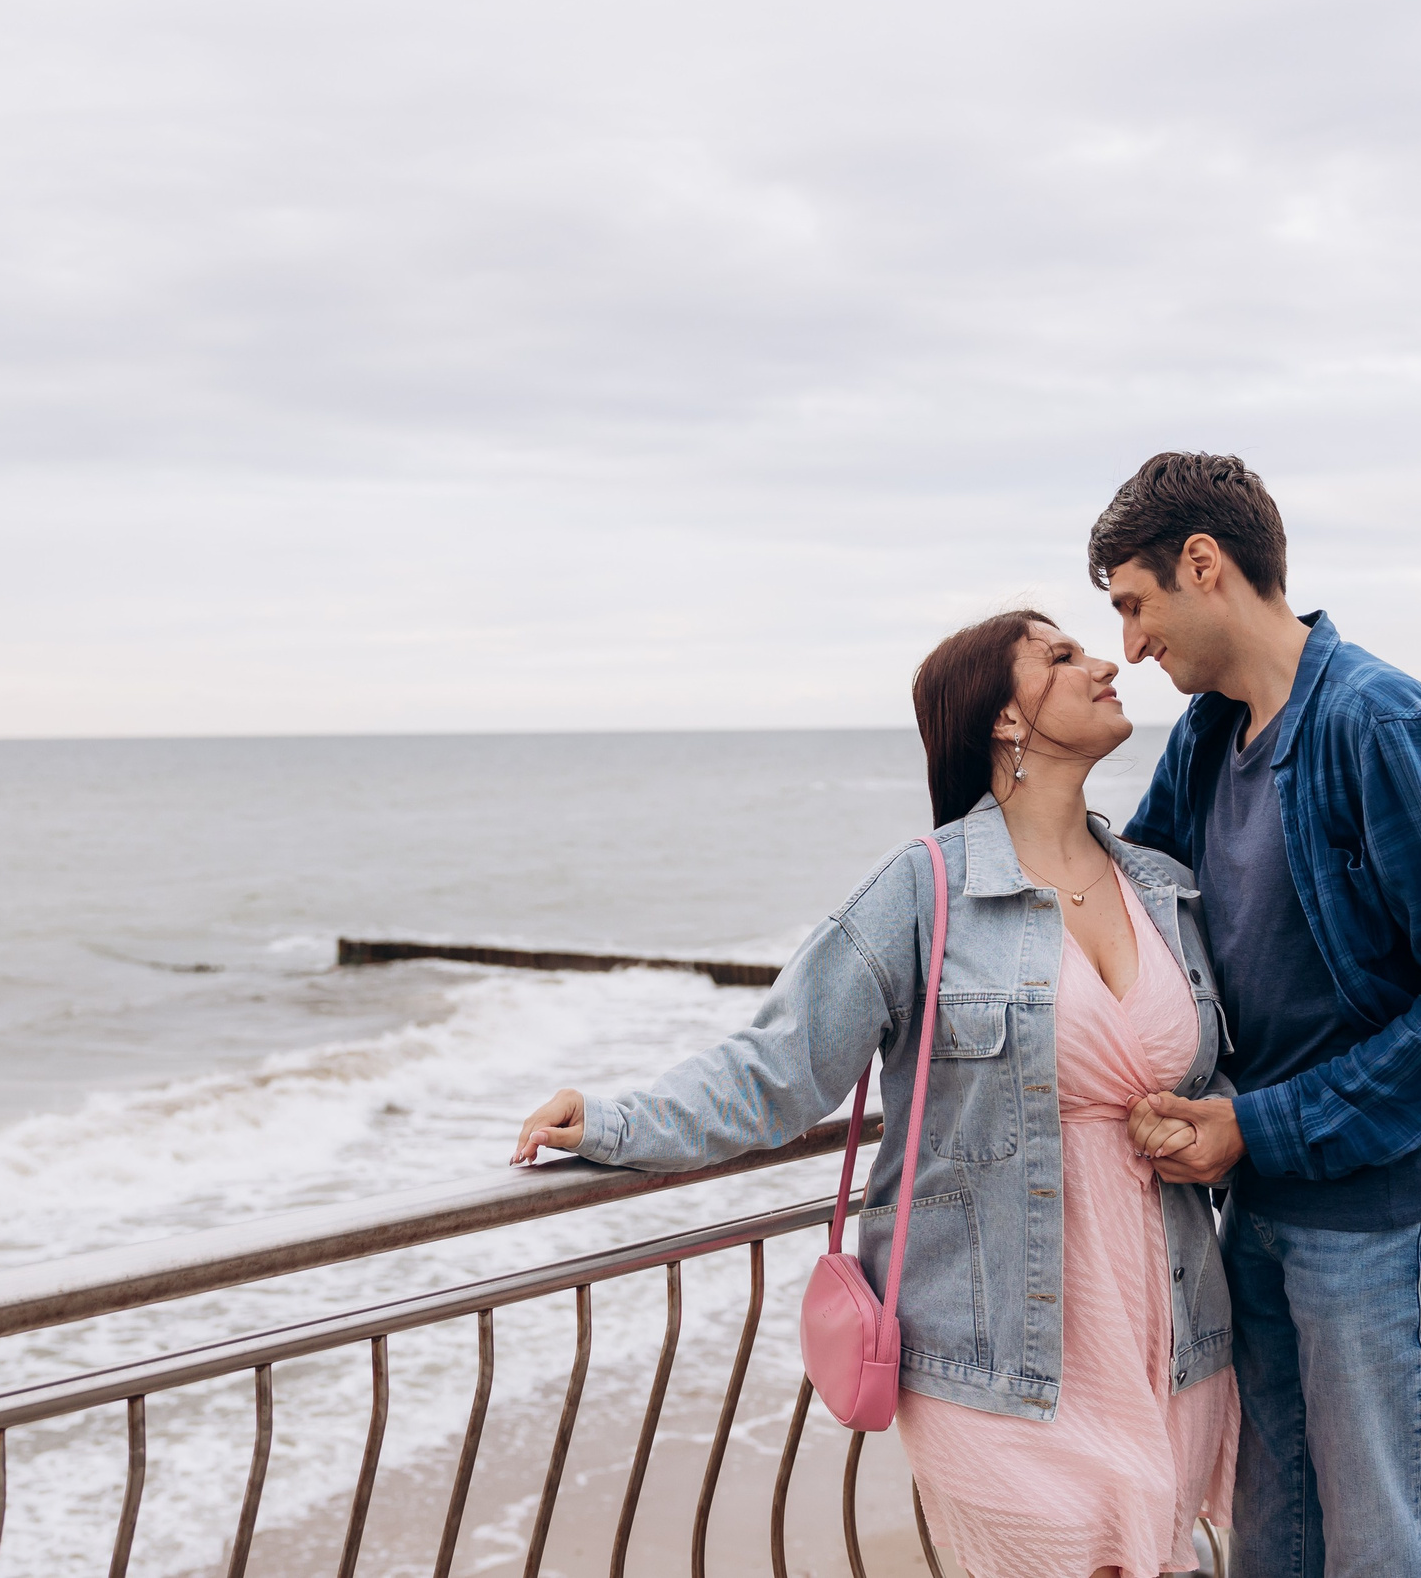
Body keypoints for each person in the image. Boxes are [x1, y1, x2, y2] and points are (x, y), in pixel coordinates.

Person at [513, 611, 1239, 1578]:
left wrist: (1229, 1128)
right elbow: (778, 1066)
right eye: (1060, 657)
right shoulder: (925, 889)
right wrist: (613, 1121)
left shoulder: (1164, 889)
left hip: (1167, 1322)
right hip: (995, 1353)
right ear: (1005, 722)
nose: (1105, 661)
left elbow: (1219, 1076)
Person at [1095, 453, 1421, 1578]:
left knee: (1378, 1545)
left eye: (1133, 605)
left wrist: (1260, 1126)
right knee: (1273, 1537)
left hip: (1380, 1219)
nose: (1130, 645)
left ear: (1202, 564)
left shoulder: (1381, 722)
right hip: (1260, 1205)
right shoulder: (1205, 737)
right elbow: (1128, 895)